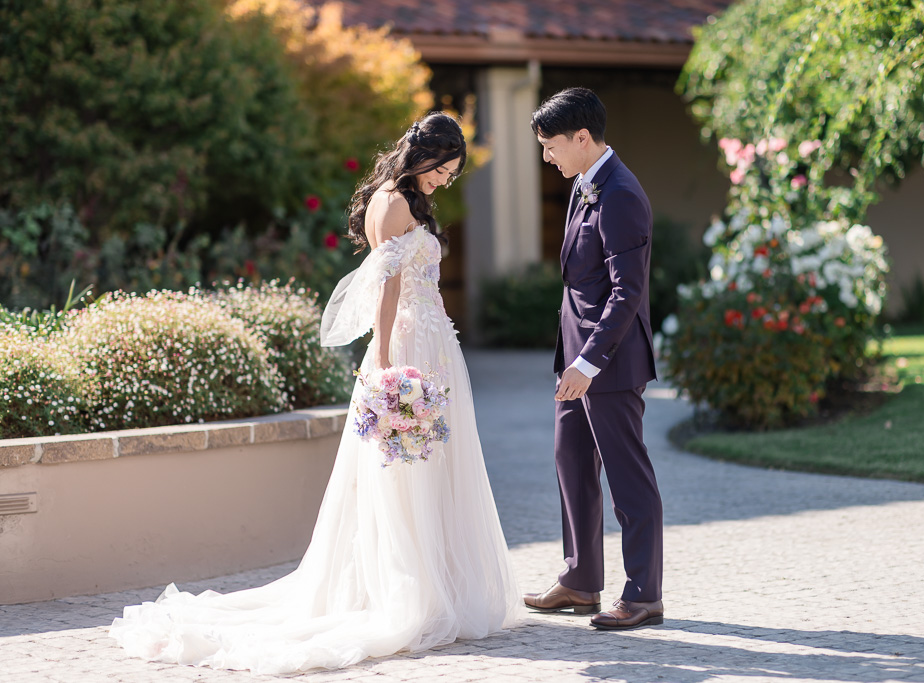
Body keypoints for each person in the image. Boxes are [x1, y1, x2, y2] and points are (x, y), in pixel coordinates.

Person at [110, 112, 521, 674]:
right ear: (425, 154)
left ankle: (433, 581)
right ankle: (415, 589)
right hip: (412, 343)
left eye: (450, 174)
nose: (444, 181)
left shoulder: (396, 198)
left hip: (429, 339)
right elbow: (387, 286)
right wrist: (386, 362)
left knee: (426, 463)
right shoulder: (394, 204)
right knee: (409, 467)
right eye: (443, 169)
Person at [522, 88, 664, 630]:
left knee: (628, 478)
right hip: (575, 361)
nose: (546, 156)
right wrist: (571, 361)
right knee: (572, 462)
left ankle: (644, 594)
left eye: (550, 145)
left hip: (608, 363)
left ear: (582, 138)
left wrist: (588, 363)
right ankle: (580, 580)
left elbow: (627, 292)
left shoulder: (621, 193)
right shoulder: (584, 184)